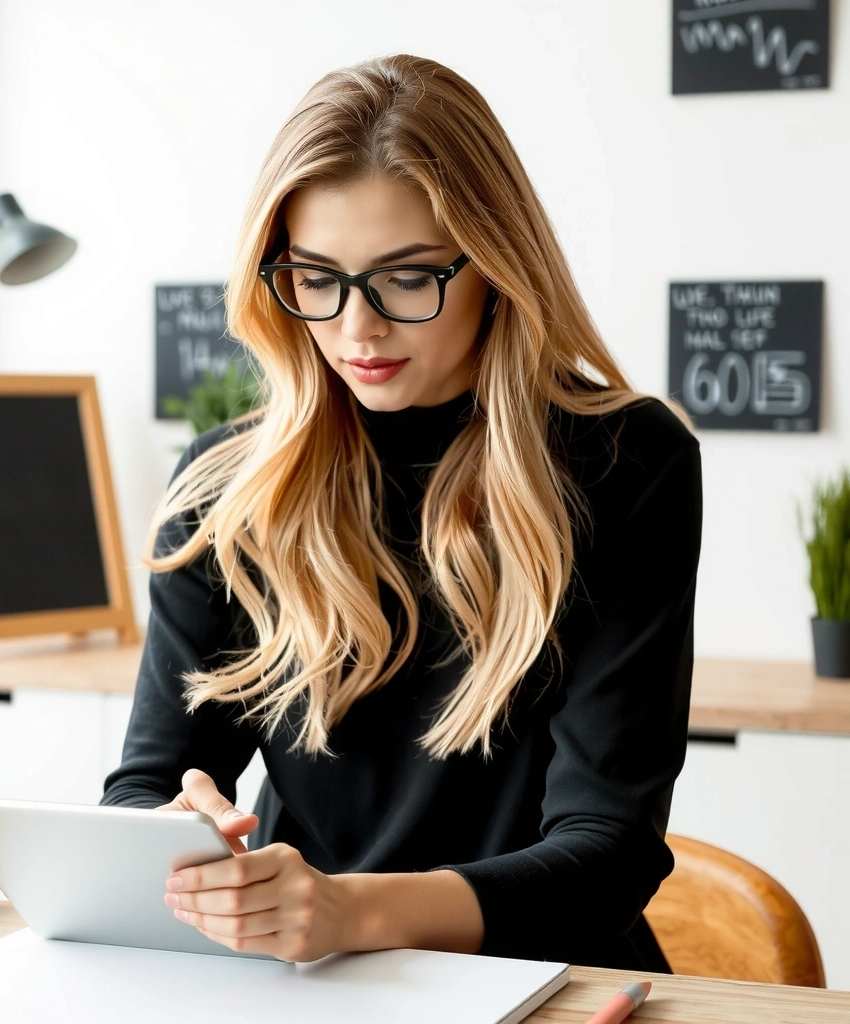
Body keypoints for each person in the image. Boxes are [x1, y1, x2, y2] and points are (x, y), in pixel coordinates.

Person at [101, 53, 702, 971]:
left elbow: (607, 857)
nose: (357, 328)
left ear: (495, 265)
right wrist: (171, 834)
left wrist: (351, 911)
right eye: (316, 278)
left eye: (409, 278)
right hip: (305, 979)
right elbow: (146, 786)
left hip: (547, 979)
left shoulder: (627, 462)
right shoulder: (228, 486)